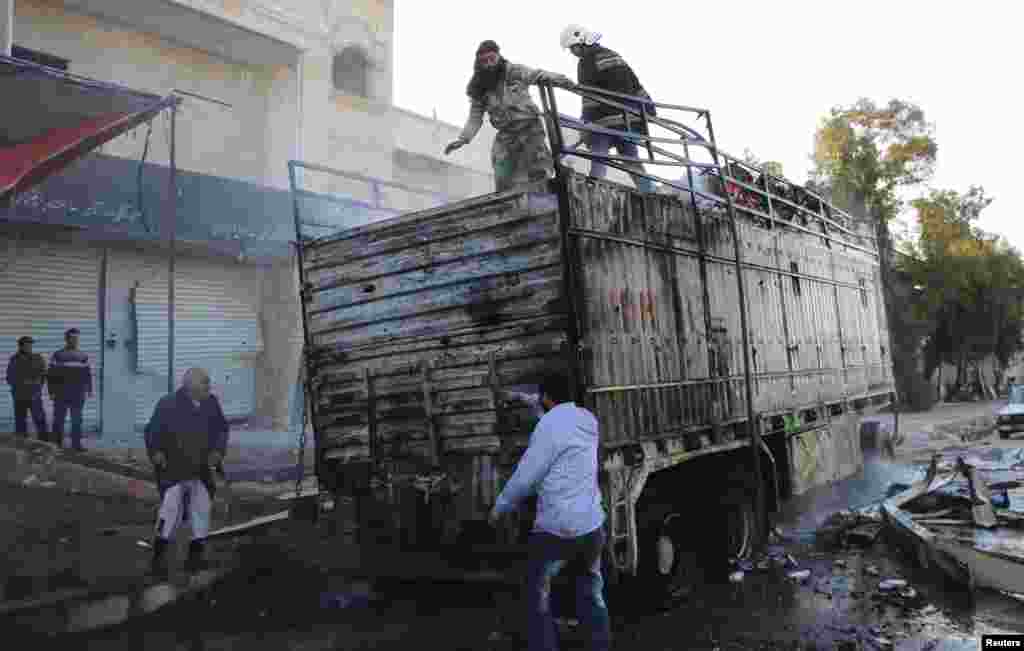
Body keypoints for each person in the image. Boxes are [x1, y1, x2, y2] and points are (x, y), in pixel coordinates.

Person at [488, 371, 610, 651]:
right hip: (591, 527)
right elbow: (558, 428)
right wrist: (532, 401)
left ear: (546, 398)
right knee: (592, 596)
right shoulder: (587, 420)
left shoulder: (547, 429)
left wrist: (499, 508)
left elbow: (525, 478)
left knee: (537, 598)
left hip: (557, 532)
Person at [445, 40, 576, 192]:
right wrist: (463, 139)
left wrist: (564, 81)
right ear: (479, 63)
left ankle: (544, 197)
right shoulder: (479, 87)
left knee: (538, 169)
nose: (489, 64)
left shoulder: (514, 71)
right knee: (501, 170)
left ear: (499, 56)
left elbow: (538, 75)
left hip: (529, 128)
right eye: (484, 61)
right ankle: (505, 201)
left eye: (492, 59)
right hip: (506, 134)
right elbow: (475, 117)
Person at [144, 367, 229, 579]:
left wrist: (218, 451)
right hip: (174, 468)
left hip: (201, 469)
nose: (209, 388)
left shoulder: (211, 403)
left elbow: (221, 429)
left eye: (209, 383)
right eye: (205, 384)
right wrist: (156, 452)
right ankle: (158, 557)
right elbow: (152, 430)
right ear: (190, 386)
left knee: (201, 510)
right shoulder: (168, 403)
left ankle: (195, 557)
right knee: (168, 512)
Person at [559, 24, 656, 193]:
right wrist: (649, 107)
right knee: (632, 160)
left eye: (573, 48)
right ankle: (651, 192)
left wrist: (586, 123)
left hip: (605, 122)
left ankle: (593, 192)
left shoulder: (586, 62)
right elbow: (635, 84)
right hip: (627, 121)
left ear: (581, 41)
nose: (572, 53)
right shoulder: (613, 55)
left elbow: (589, 96)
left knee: (599, 157)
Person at [48, 328, 93, 451]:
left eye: (77, 338)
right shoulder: (58, 355)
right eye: (72, 338)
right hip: (61, 392)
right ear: (66, 339)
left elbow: (87, 374)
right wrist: (51, 391)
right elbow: (51, 374)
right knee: (58, 419)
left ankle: (76, 445)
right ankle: (56, 444)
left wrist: (89, 389)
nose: (75, 340)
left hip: (77, 393)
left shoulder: (83, 356)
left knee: (77, 420)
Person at [5, 335, 48, 438]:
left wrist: (37, 386)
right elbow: (10, 378)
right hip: (20, 395)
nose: (29, 347)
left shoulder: (38, 358)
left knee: (39, 418)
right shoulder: (14, 359)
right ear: (20, 346)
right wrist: (22, 383)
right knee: (20, 420)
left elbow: (43, 374)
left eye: (30, 345)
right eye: (26, 345)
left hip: (34, 394)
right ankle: (21, 441)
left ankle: (44, 440)